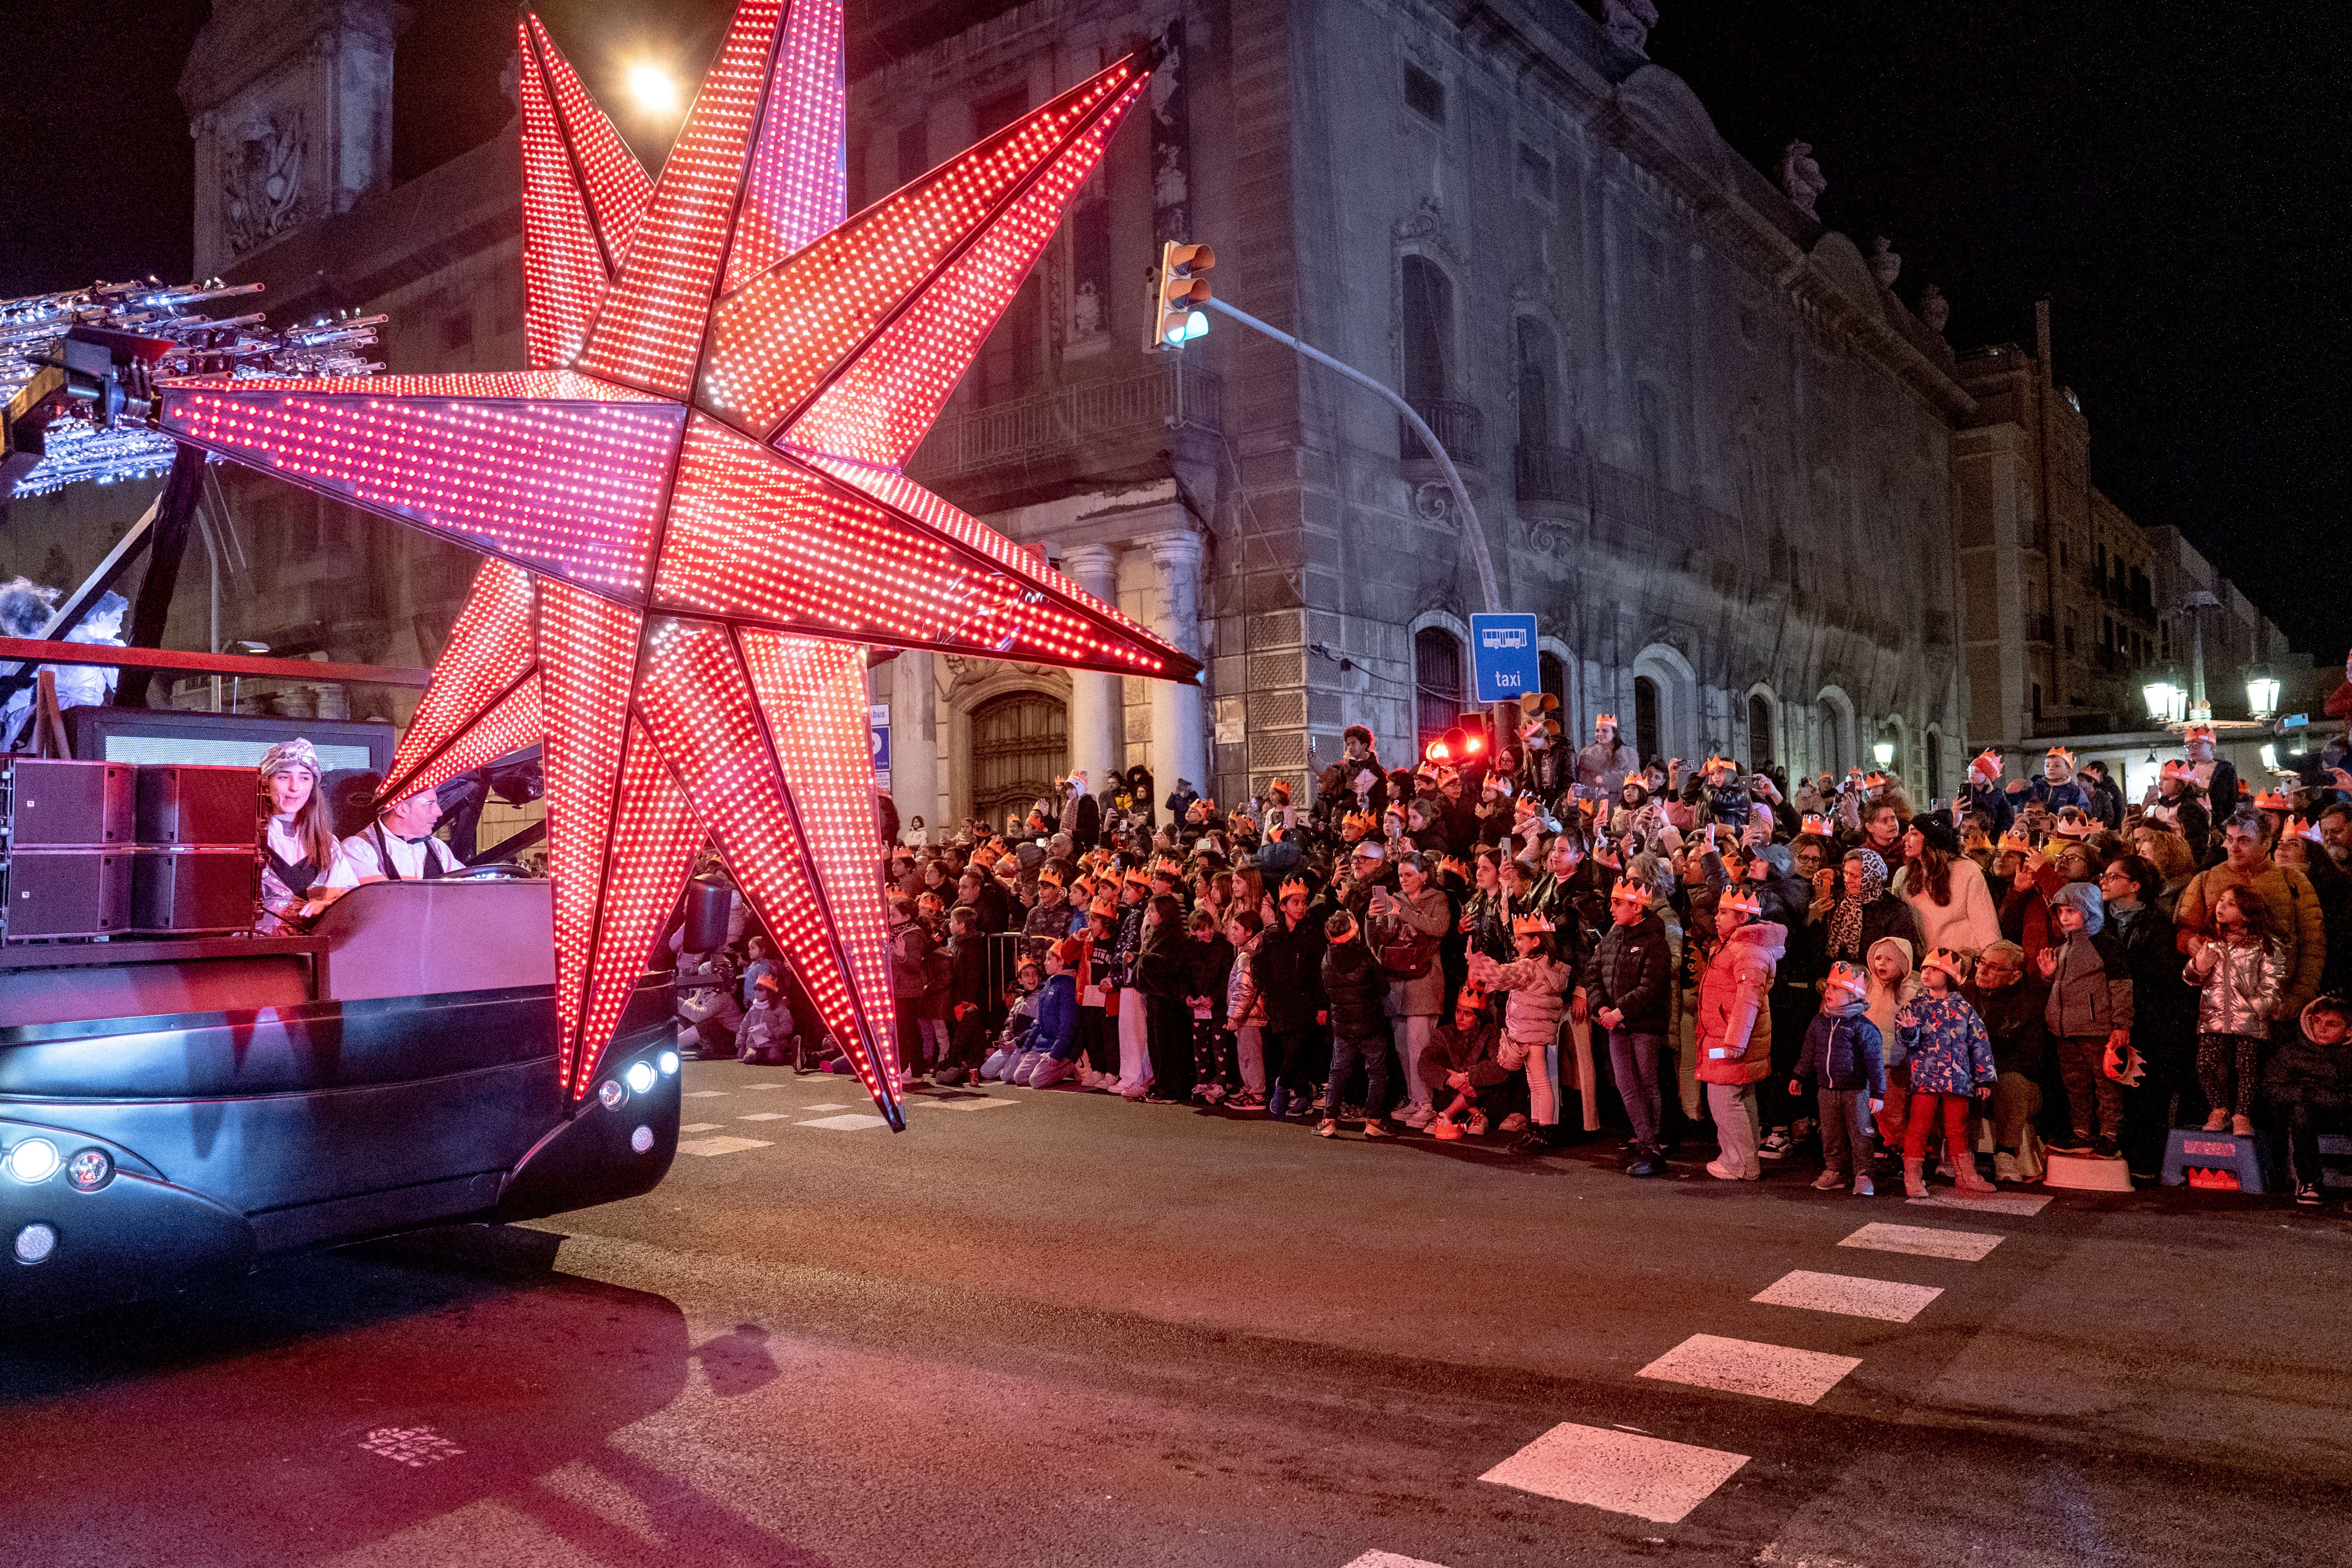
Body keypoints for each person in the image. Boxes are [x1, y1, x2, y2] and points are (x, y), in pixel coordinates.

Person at [2038, 881, 2135, 1157]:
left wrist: (2121, 1025)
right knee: (2075, 1083)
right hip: (2065, 1030)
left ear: (2090, 910)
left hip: (2097, 1030)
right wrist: (2049, 974)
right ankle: (2081, 1132)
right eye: (2060, 912)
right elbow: (2061, 987)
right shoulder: (2064, 947)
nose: (2064, 917)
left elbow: (2121, 986)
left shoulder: (2105, 946)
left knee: (2107, 1084)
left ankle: (2110, 1135)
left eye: (2072, 911)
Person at [1696, 888, 1784, 1181]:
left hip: (1730, 1039)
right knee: (1740, 1099)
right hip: (1730, 1036)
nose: (1716, 918)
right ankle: (1743, 1162)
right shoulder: (1738, 946)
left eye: (1723, 913)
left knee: (1725, 1101)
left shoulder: (1747, 951)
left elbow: (1748, 998)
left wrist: (1734, 1041)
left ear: (1743, 917)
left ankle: (1740, 1164)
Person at [1588, 875, 1674, 1175]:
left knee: (1644, 1085)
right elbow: (1594, 974)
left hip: (1642, 1026)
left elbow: (1651, 988)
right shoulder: (1612, 938)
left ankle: (1650, 1147)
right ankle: (1648, 1146)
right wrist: (1601, 1006)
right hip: (1616, 1025)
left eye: (1618, 903)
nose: (1611, 909)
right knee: (1628, 1087)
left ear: (1637, 908)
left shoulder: (1655, 943)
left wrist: (1618, 1012)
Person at [2183, 885, 2283, 1136]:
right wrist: (2199, 965)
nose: (2222, 907)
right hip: (2213, 1017)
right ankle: (2219, 1109)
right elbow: (2190, 979)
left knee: (2247, 1069)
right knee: (2205, 1065)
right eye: (2221, 900)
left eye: (2231, 904)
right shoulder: (2211, 942)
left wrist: (2255, 1008)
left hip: (2249, 1020)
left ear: (2248, 914)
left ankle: (2242, 1115)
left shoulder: (2264, 946)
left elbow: (2273, 982)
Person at [1896, 948, 1998, 1195]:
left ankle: (1966, 1176)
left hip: (1958, 1080)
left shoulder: (1965, 1010)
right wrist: (1909, 1031)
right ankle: (1913, 1178)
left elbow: (1979, 1044)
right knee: (1919, 1127)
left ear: (1949, 976)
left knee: (1958, 1128)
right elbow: (1905, 1039)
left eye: (1934, 969)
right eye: (1925, 968)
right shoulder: (1916, 1007)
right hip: (1925, 1079)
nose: (1927, 973)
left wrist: (1984, 1079)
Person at [1471, 913, 1574, 1154]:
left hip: (1531, 1030)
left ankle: (1543, 1132)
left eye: (1520, 939)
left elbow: (1501, 976)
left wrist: (1477, 961)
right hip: (1537, 1029)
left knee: (1538, 1082)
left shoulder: (1529, 966)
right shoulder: (1550, 966)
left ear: (1536, 941)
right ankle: (1537, 1129)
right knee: (1536, 1081)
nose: (1516, 944)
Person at [1368, 851, 1450, 1128]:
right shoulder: (1395, 899)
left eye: (1409, 875)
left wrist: (1402, 912)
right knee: (1403, 1047)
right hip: (1396, 981)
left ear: (1424, 876)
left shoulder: (1438, 899)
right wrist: (1373, 918)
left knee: (1419, 1047)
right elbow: (1378, 940)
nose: (1403, 880)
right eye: (1401, 875)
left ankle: (1427, 1103)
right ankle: (1416, 1101)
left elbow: (1439, 928)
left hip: (1424, 981)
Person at [1791, 961, 1884, 1195]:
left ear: (1853, 997)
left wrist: (1877, 1093)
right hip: (1826, 1089)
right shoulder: (1819, 1021)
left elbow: (1875, 1063)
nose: (1828, 992)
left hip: (1856, 1091)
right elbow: (1809, 1052)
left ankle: (1864, 1174)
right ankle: (1836, 1171)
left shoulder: (1864, 1028)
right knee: (1830, 1133)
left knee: (1861, 1133)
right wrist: (1799, 1075)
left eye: (1836, 988)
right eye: (1828, 987)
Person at [1964, 940, 2048, 1183]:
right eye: (1981, 963)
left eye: (1995, 967)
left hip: (2011, 1078)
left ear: (2014, 977)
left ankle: (2006, 1152)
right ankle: (1954, 1150)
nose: (1983, 970)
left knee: (2012, 1084)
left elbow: (2029, 1059)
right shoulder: (1963, 994)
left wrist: (1984, 1072)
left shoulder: (2029, 1004)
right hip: (1971, 1074)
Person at [1255, 875, 1329, 1120]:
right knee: (1291, 1050)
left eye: (1303, 902)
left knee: (1299, 1046)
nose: (1301, 907)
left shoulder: (1313, 933)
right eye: (1295, 902)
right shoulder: (1272, 934)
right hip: (1280, 1002)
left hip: (1305, 1000)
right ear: (1283, 906)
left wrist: (1321, 1004)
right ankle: (1302, 1095)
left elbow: (1320, 971)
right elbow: (1259, 966)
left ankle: (1282, 1085)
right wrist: (1266, 990)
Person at [1317, 908, 1394, 1139]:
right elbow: (1384, 989)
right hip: (1370, 1026)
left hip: (1342, 1027)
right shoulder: (1366, 958)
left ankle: (1329, 1121)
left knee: (1338, 1072)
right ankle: (1374, 1121)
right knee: (1377, 1072)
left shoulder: (1326, 961)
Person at [2267, 996, 2351, 1206]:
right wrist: (2308, 1095)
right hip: (2310, 1114)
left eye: (2331, 1024)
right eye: (2317, 1021)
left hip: (2344, 1112)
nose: (2321, 1029)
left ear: (2349, 1031)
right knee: (2300, 1114)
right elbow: (2272, 1088)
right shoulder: (2291, 1053)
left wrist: (2335, 1099)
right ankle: (2310, 1182)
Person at [255, 738, 343, 934]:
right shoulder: (242, 841)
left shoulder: (328, 845)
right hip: (253, 954)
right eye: (284, 777)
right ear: (265, 783)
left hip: (309, 953)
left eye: (305, 778)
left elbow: (346, 901)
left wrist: (328, 905)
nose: (295, 788)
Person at [1894, 817, 2002, 954]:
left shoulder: (1966, 871)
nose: (1904, 838)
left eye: (1914, 834)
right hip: (1928, 965)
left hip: (1964, 962)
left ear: (1931, 840)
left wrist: (1992, 962)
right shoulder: (1904, 876)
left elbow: (1986, 926)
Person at [325, 786, 462, 889]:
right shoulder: (358, 849)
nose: (438, 812)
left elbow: (466, 886)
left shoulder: (437, 848)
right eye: (430, 804)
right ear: (402, 809)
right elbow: (383, 900)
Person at [1422, 983, 1507, 1139]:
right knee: (1443, 1067)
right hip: (1453, 1096)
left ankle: (1446, 1115)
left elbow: (1499, 1066)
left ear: (1479, 1018)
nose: (1460, 1018)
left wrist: (1467, 1077)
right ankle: (1476, 1115)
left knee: (1485, 1073)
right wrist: (1451, 1079)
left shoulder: (1491, 1033)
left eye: (1468, 1014)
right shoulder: (1444, 1033)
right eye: (1458, 1011)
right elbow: (1425, 1064)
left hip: (1484, 1096)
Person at [1133, 892, 1193, 1102]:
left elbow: (1173, 966)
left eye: (1153, 910)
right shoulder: (1154, 933)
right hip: (1153, 996)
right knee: (1155, 1044)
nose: (1148, 914)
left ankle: (1172, 1088)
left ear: (1164, 913)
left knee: (1167, 1045)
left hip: (1166, 999)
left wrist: (1146, 959)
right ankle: (1161, 1085)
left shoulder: (1174, 937)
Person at [1222, 910, 1269, 1108]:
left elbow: (1244, 990)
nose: (1231, 932)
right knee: (1248, 1054)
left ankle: (1257, 1094)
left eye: (1236, 928)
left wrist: (1234, 1017)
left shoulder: (1248, 956)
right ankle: (1250, 1088)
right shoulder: (1249, 952)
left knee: (1250, 1054)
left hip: (1250, 1017)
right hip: (1249, 1016)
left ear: (1249, 932)